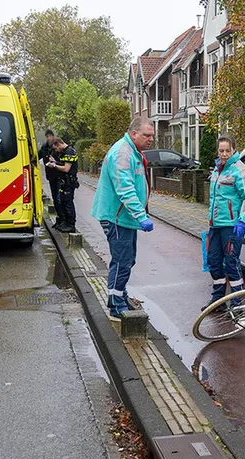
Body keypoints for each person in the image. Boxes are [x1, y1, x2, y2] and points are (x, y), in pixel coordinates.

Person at [90, 116, 156, 321]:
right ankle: (115, 306)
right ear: (134, 133)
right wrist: (141, 216)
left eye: (152, 136)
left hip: (124, 217)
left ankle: (120, 295)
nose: (151, 139)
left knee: (127, 259)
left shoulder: (132, 151)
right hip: (117, 217)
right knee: (122, 261)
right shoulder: (122, 153)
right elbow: (125, 189)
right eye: (147, 135)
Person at [204, 136, 245, 310]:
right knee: (213, 262)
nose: (224, 154)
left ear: (234, 149)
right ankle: (218, 300)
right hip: (215, 226)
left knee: (231, 263)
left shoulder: (239, 170)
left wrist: (242, 220)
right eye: (221, 151)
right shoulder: (217, 170)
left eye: (227, 150)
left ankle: (237, 302)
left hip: (231, 226)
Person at [46, 138, 79, 233]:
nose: (56, 150)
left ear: (58, 144)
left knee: (68, 203)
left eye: (56, 148)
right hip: (64, 182)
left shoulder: (69, 152)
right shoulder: (65, 151)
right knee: (63, 202)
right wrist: (55, 162)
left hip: (69, 182)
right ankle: (65, 223)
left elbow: (66, 169)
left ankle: (71, 224)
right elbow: (63, 164)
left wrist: (54, 165)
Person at [39, 130, 63, 228]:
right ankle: (59, 219)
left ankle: (62, 219)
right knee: (55, 198)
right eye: (47, 137)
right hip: (51, 176)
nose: (48, 138)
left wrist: (55, 162)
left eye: (49, 136)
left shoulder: (58, 146)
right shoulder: (44, 147)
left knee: (59, 198)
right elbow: (37, 156)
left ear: (53, 136)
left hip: (59, 176)